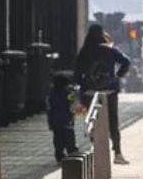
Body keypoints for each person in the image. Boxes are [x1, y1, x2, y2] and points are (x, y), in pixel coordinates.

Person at [75, 23, 131, 164]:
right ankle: (117, 153)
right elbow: (126, 62)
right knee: (113, 121)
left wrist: (83, 85)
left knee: (93, 120)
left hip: (89, 92)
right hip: (109, 91)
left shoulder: (84, 51)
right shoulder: (110, 50)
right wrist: (118, 75)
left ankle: (96, 149)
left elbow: (77, 73)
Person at [46, 72, 81, 162]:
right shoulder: (69, 92)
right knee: (69, 137)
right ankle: (72, 153)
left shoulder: (52, 93)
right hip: (66, 119)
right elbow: (74, 105)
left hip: (54, 120)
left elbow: (49, 107)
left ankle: (59, 154)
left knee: (58, 138)